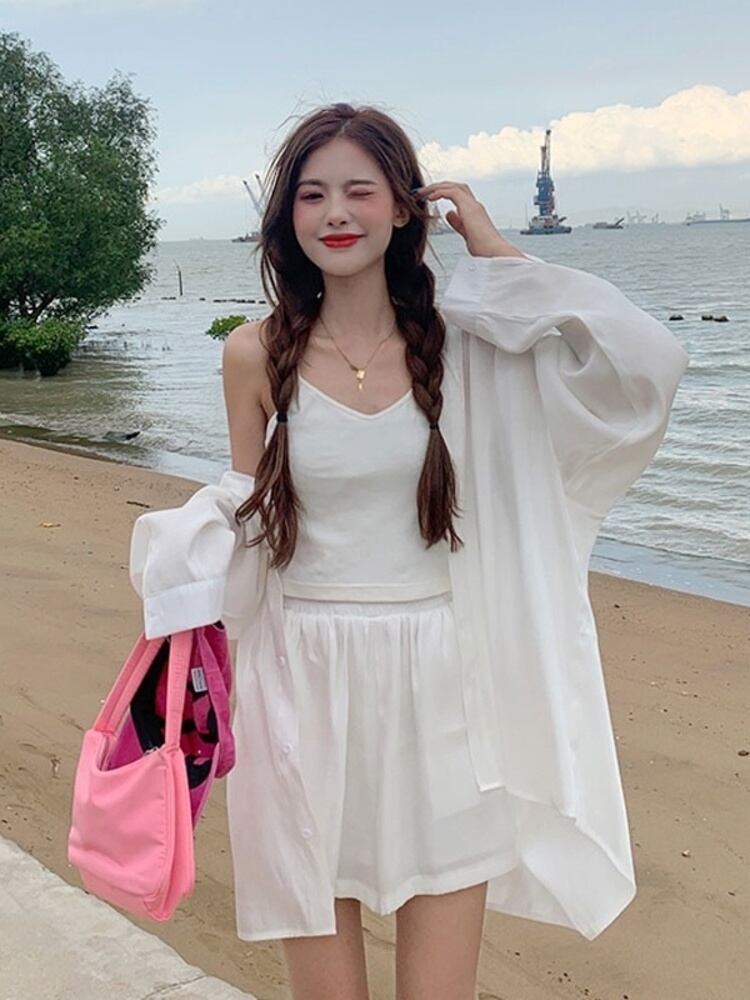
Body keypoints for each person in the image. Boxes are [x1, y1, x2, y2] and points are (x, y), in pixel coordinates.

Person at [129, 102, 690, 1000]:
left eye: (360, 190)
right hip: (299, 688)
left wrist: (500, 261)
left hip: (441, 689)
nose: (335, 213)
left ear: (404, 207)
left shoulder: (469, 346)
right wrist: (181, 561)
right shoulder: (253, 354)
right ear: (287, 216)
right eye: (312, 194)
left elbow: (641, 365)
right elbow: (247, 517)